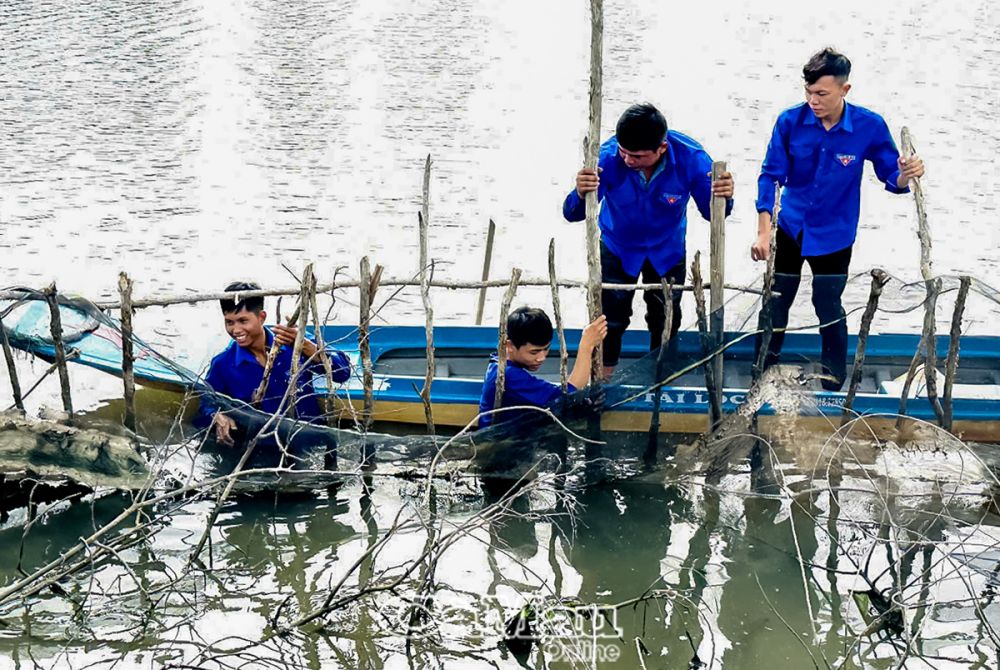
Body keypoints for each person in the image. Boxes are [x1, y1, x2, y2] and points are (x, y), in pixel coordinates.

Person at [751, 48, 924, 390]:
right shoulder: (790, 122)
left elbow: (892, 176)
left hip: (835, 232)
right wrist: (763, 230)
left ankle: (833, 377)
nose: (813, 101)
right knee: (777, 298)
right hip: (790, 226)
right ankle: (762, 371)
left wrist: (907, 174)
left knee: (827, 301)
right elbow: (770, 176)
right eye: (809, 92)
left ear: (844, 90)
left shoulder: (869, 126)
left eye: (822, 94)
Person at [563, 103, 734, 376]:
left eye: (637, 156)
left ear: (662, 148)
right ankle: (604, 379)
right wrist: (580, 192)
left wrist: (724, 195)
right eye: (624, 152)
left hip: (667, 250)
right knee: (610, 319)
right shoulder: (606, 160)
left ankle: (661, 377)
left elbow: (715, 215)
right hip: (617, 248)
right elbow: (571, 213)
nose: (628, 160)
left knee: (666, 317)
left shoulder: (692, 158)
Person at [195, 281, 352, 447]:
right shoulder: (223, 364)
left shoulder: (294, 343)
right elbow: (207, 401)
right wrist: (216, 415)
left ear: (262, 317)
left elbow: (342, 373)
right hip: (262, 445)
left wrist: (305, 345)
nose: (236, 330)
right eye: (229, 322)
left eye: (243, 321)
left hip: (308, 441)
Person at [478, 307, 607, 429]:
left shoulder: (497, 362)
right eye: (534, 352)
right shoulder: (508, 375)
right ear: (510, 345)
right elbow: (569, 395)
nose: (542, 358)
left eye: (546, 349)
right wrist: (586, 346)